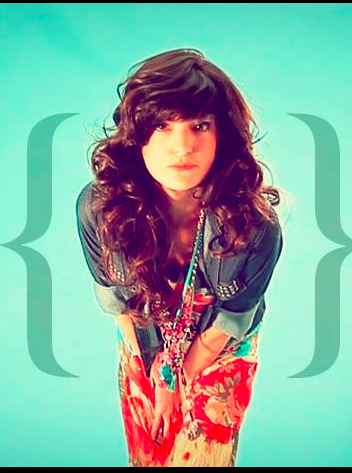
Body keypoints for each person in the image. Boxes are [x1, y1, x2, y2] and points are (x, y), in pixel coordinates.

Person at [75, 48, 283, 467]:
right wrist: (156, 373)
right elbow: (119, 304)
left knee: (201, 454)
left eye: (199, 126)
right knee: (149, 452)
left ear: (222, 135)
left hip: (218, 344)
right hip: (142, 334)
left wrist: (177, 379)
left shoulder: (256, 226)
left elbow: (231, 319)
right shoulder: (100, 209)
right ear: (137, 134)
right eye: (163, 126)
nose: (182, 146)